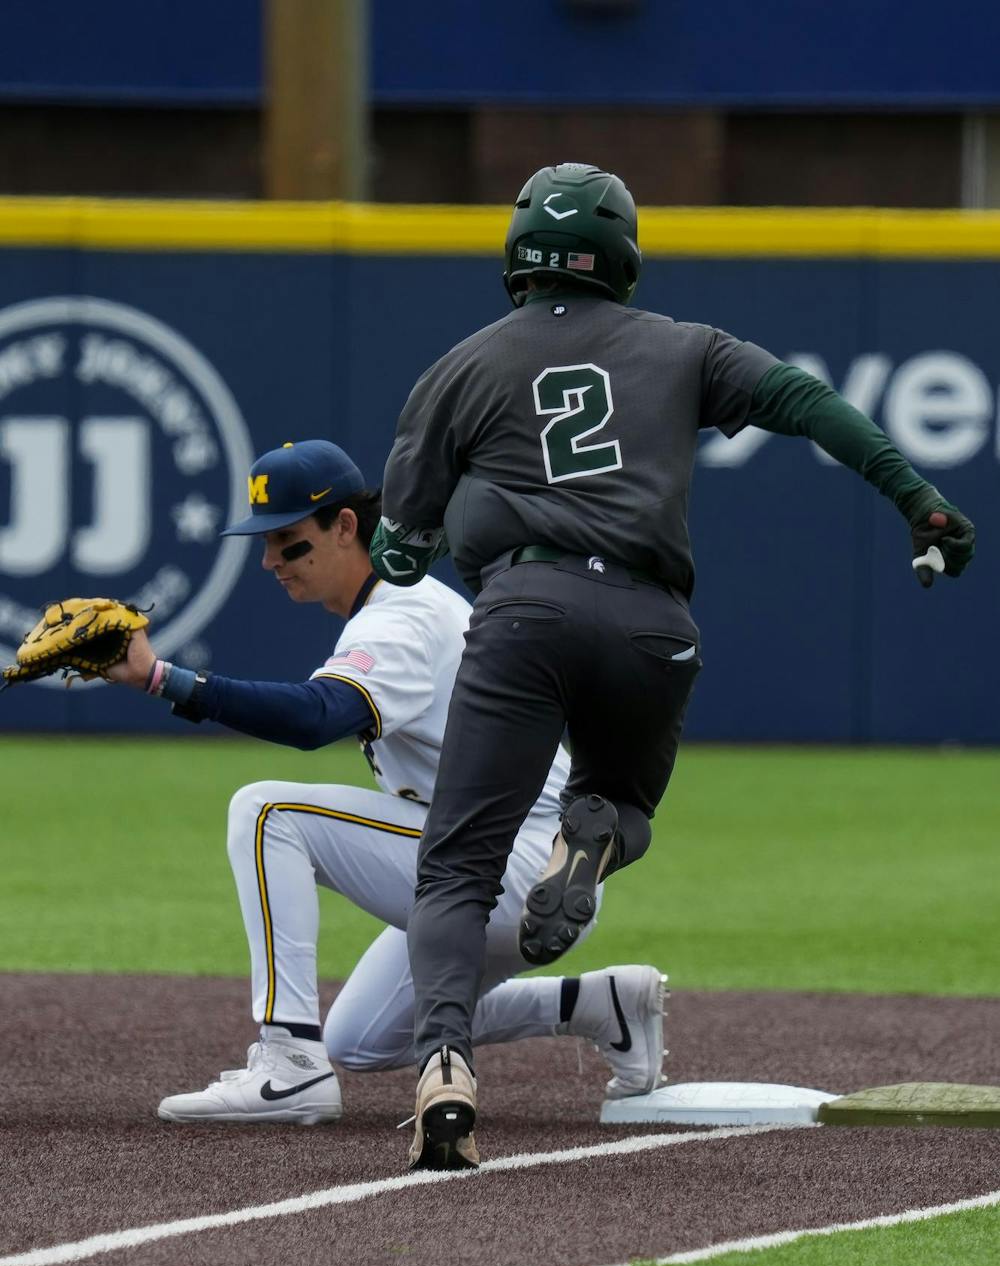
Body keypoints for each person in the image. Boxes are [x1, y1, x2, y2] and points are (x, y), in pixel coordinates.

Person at [370, 161, 977, 1172]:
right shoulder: (687, 347)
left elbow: (399, 550)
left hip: (523, 613)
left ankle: (443, 1062)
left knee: (459, 868)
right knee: (622, 804)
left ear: (515, 256)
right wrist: (915, 497)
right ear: (624, 256)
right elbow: (810, 405)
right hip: (654, 623)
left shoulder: (462, 368)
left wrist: (448, 527)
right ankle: (595, 835)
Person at [105, 438, 667, 1134]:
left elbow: (318, 719)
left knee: (267, 812)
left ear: (345, 527)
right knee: (362, 1039)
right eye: (266, 542)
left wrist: (165, 679)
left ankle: (288, 1063)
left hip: (523, 863)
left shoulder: (400, 614)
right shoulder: (399, 602)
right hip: (498, 864)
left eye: (289, 541)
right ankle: (597, 1005)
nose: (270, 561)